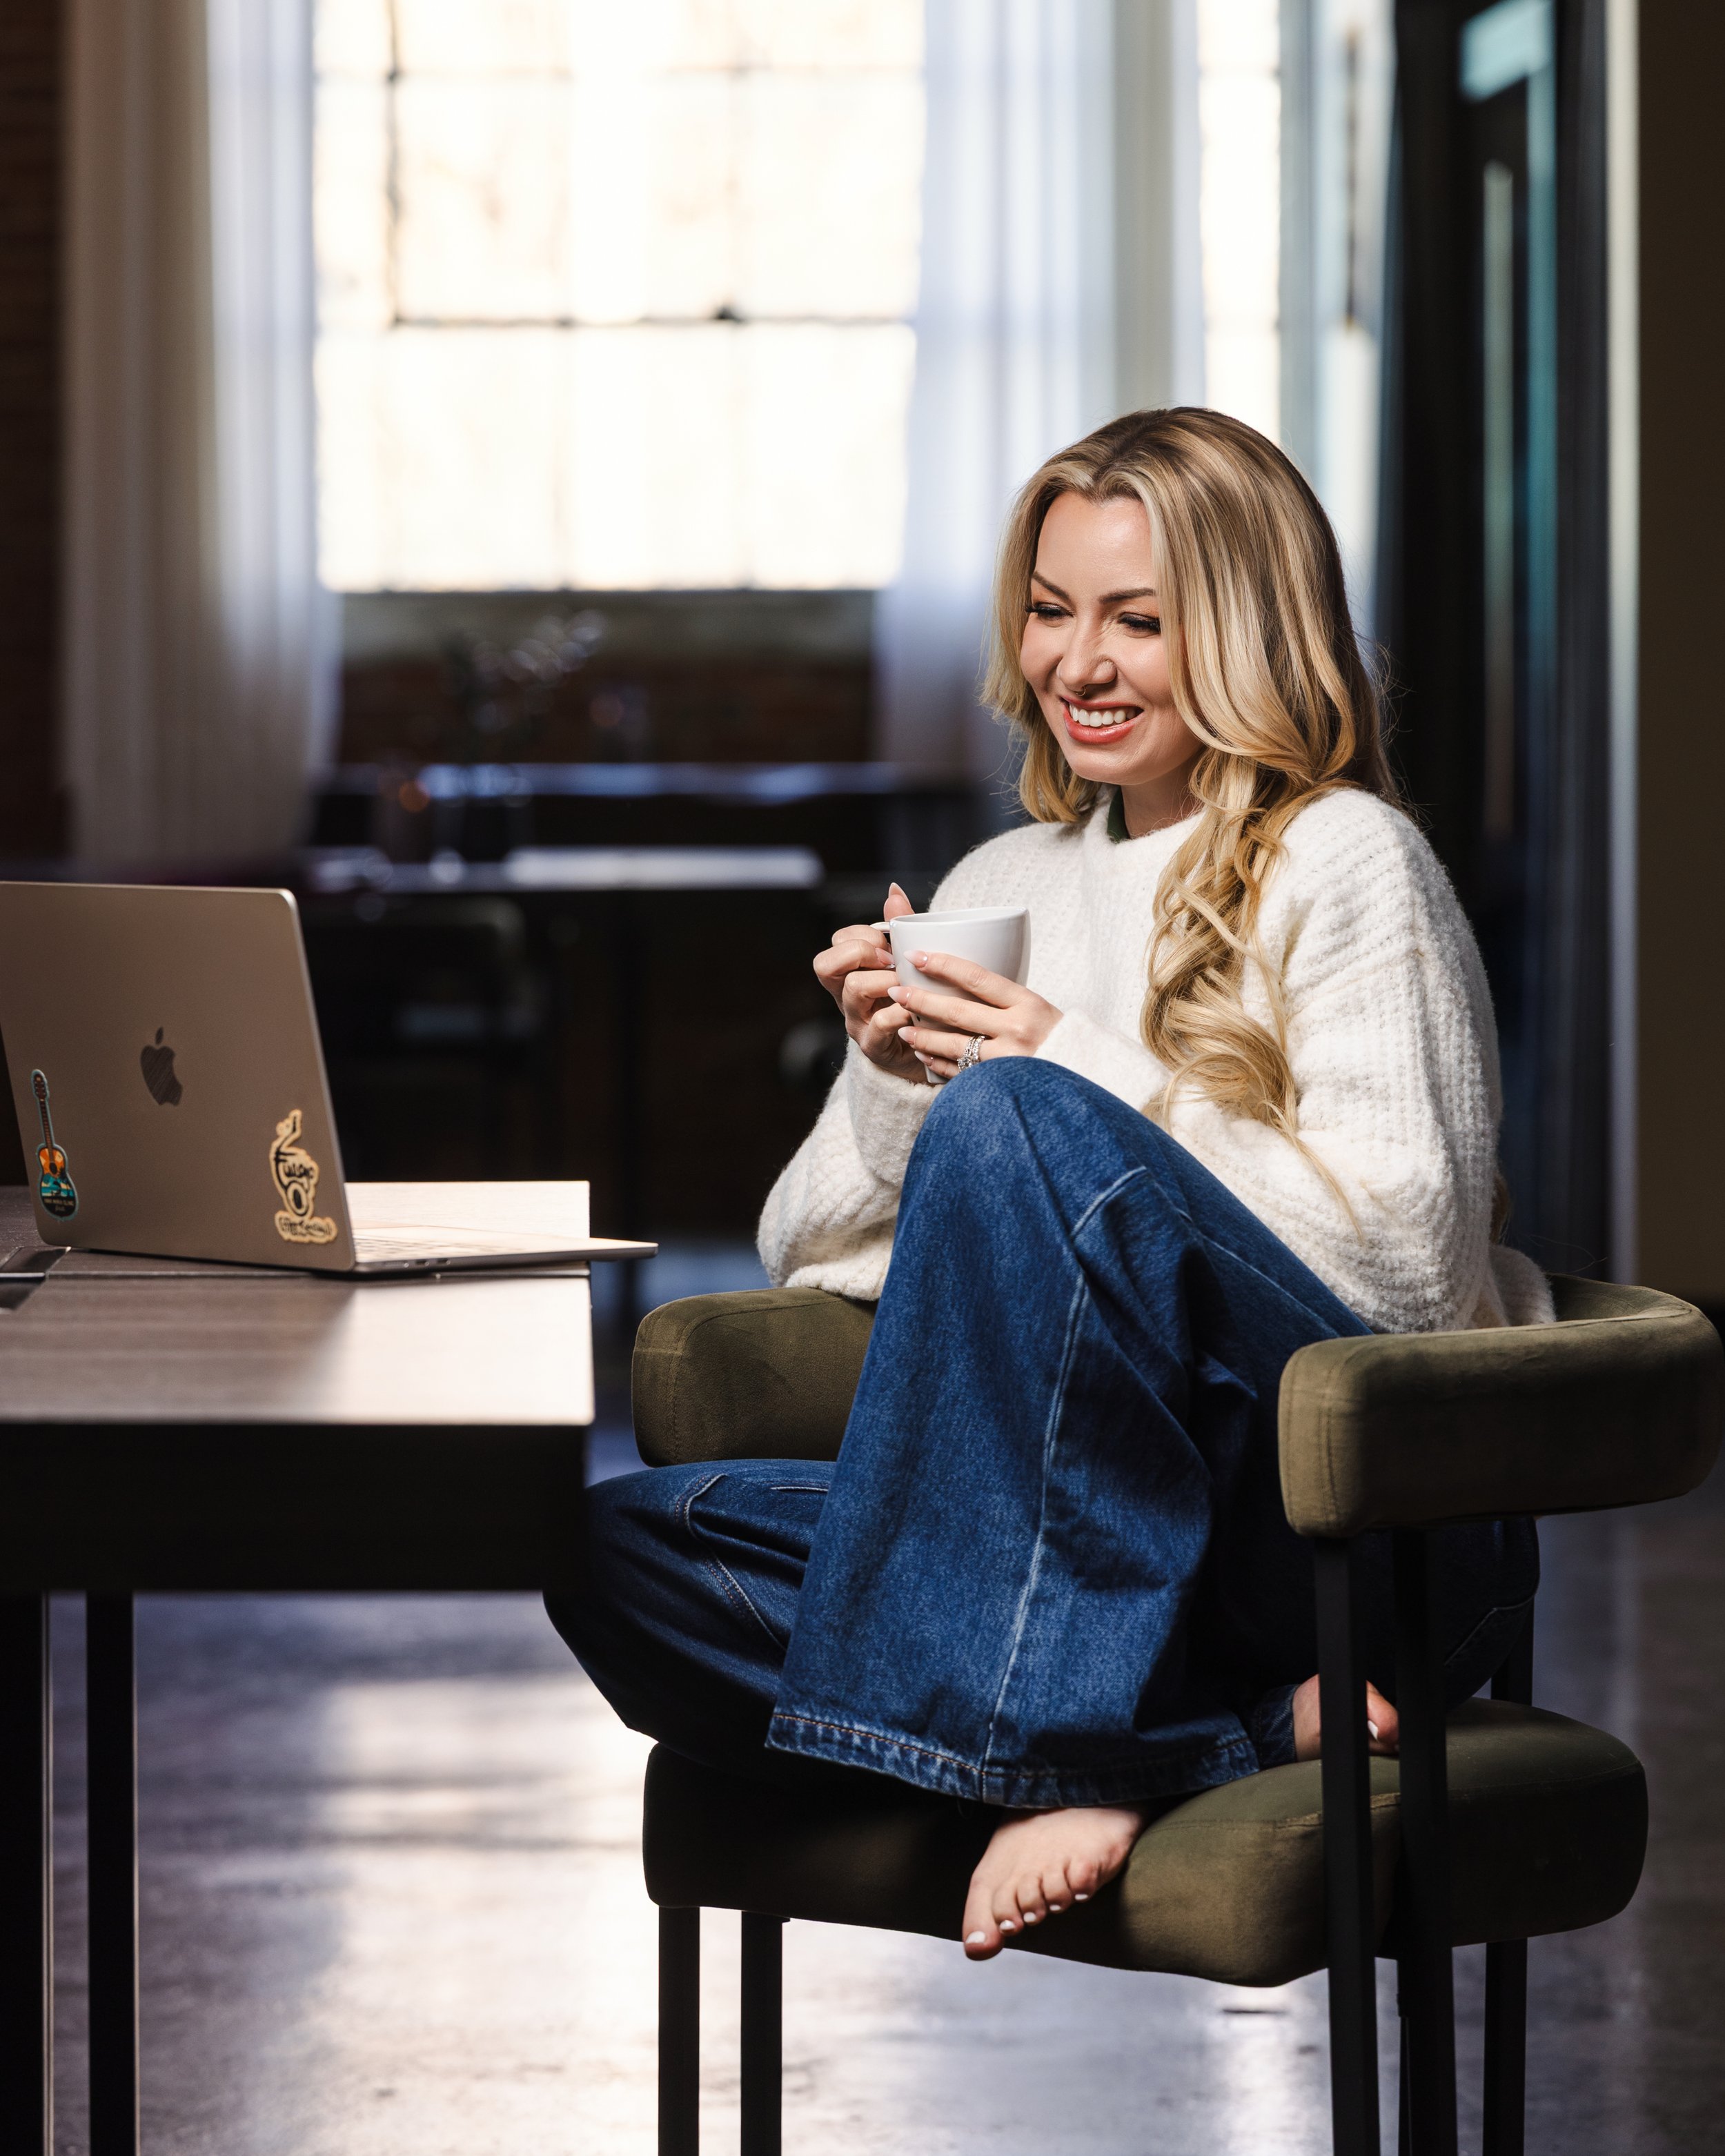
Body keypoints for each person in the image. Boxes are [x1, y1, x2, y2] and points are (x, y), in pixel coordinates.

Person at [548, 408, 1551, 1963]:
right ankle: (1203, 1740)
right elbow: (800, 1248)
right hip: (1110, 1574)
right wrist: (893, 1076)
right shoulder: (997, 887)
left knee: (1021, 1111)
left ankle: (1071, 1743)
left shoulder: (1346, 861)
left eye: (1136, 620)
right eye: (1048, 607)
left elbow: (1408, 1279)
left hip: (1336, 1545)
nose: (1075, 661)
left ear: (1240, 630)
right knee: (623, 1552)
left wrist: (1061, 1081)